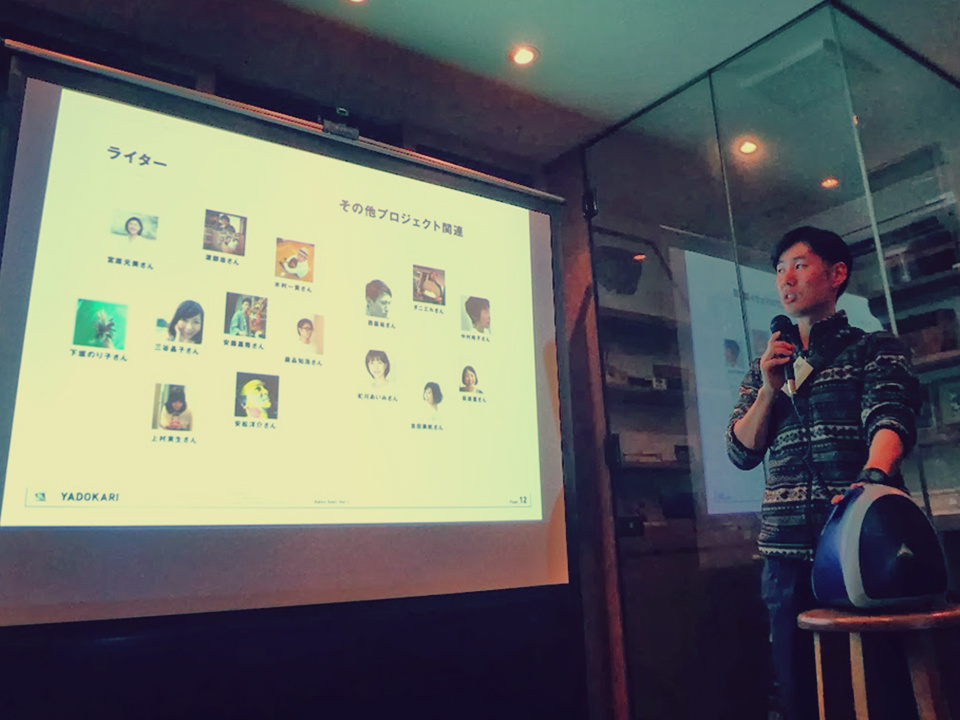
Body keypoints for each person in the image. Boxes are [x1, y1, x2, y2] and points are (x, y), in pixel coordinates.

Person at [726, 226, 919, 720]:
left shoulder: (875, 348)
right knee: (798, 689)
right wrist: (768, 389)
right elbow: (741, 452)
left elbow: (890, 418)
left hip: (858, 543)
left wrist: (871, 481)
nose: (786, 279)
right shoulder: (767, 366)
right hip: (785, 554)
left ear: (836, 275)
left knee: (876, 684)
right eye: (779, 270)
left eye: (799, 265)